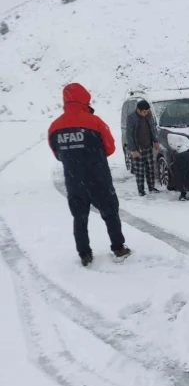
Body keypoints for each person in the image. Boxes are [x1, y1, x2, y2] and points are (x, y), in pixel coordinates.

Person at [48, 83, 131, 266]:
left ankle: (84, 254)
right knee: (110, 213)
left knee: (79, 218)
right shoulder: (96, 122)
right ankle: (118, 247)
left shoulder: (55, 127)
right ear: (85, 98)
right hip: (98, 179)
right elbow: (110, 148)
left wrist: (73, 157)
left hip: (74, 181)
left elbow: (57, 154)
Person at [126, 100, 160, 196]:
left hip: (148, 146)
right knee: (140, 171)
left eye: (147, 111)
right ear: (139, 110)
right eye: (144, 112)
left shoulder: (148, 115)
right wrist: (133, 149)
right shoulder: (131, 118)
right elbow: (129, 135)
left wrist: (155, 141)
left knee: (150, 169)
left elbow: (152, 129)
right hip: (138, 149)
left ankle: (151, 188)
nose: (146, 113)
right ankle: (141, 191)